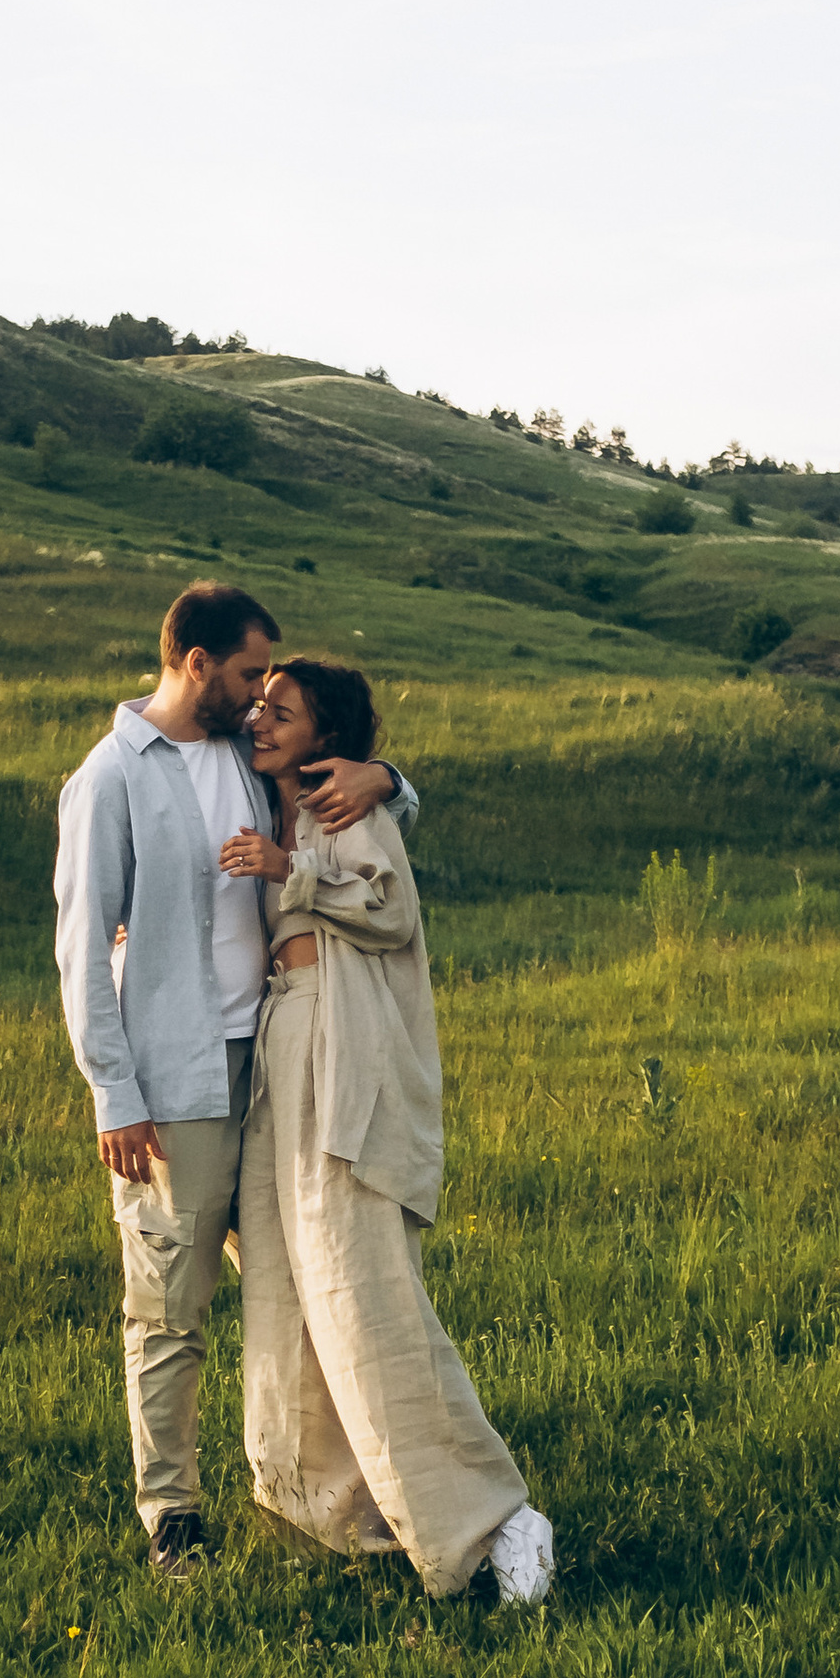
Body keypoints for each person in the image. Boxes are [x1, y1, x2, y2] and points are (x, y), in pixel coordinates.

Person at [54, 584, 417, 1579]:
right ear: (198, 663)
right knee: (170, 1303)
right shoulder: (110, 779)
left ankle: (318, 1492)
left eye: (271, 684)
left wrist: (385, 775)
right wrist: (113, 1097)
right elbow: (82, 951)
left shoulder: (246, 758)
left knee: (301, 1290)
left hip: (278, 1061)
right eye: (251, 673)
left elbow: (359, 795)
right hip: (174, 1082)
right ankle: (171, 1512)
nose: (262, 696)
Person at [222, 655, 555, 1606]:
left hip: (341, 1041)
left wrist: (296, 865)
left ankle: (496, 1518)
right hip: (281, 1044)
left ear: (324, 737)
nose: (260, 720)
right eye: (258, 704)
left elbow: (388, 906)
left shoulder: (343, 808)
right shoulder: (252, 788)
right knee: (287, 1281)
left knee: (360, 1289)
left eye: (281, 711)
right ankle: (336, 1508)